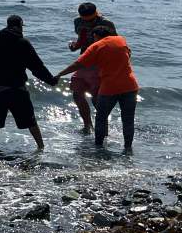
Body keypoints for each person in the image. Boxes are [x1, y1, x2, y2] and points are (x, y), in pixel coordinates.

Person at [0, 14, 58, 152]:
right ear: (19, 25)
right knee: (30, 119)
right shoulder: (23, 42)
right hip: (17, 89)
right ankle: (41, 147)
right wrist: (51, 80)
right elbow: (37, 67)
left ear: (7, 25)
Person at [58, 25, 139, 154]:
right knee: (128, 119)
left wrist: (60, 74)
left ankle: (99, 148)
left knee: (101, 118)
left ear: (96, 36)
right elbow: (128, 53)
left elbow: (77, 64)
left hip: (109, 88)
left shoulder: (95, 47)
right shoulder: (121, 40)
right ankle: (128, 149)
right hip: (130, 86)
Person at [67, 2, 117, 135]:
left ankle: (103, 129)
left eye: (90, 20)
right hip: (85, 61)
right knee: (77, 93)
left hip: (101, 63)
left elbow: (115, 44)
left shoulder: (106, 23)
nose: (87, 22)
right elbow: (82, 40)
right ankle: (88, 125)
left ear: (96, 14)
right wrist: (75, 46)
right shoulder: (78, 22)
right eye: (85, 20)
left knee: (97, 98)